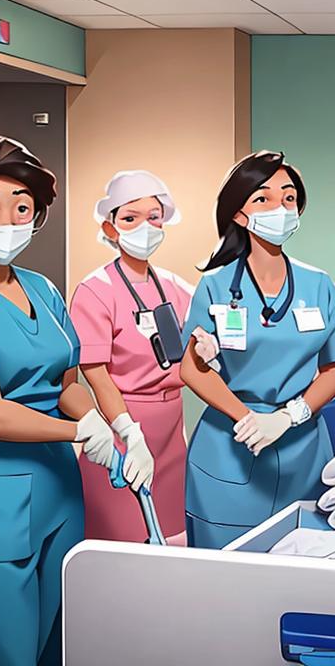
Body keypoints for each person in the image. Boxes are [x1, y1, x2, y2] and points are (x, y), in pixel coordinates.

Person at [0, 137, 127, 665]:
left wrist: (115, 429)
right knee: (3, 646)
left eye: (22, 207)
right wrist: (80, 434)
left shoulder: (44, 290)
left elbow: (67, 385)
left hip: (58, 489)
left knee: (57, 639)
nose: (8, 219)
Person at [179, 151, 335, 549]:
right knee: (227, 575)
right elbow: (191, 370)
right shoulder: (216, 285)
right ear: (240, 214)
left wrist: (288, 418)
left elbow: (332, 371)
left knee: (302, 569)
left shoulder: (318, 285)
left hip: (303, 446)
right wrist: (248, 419)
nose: (280, 208)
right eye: (263, 199)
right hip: (230, 444)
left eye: (289, 198)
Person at [70, 170, 194, 544]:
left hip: (173, 429)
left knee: (172, 538)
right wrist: (127, 431)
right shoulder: (95, 291)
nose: (145, 226)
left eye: (153, 217)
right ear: (110, 228)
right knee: (120, 538)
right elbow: (96, 375)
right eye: (130, 218)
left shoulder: (176, 286)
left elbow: (198, 353)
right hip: (123, 427)